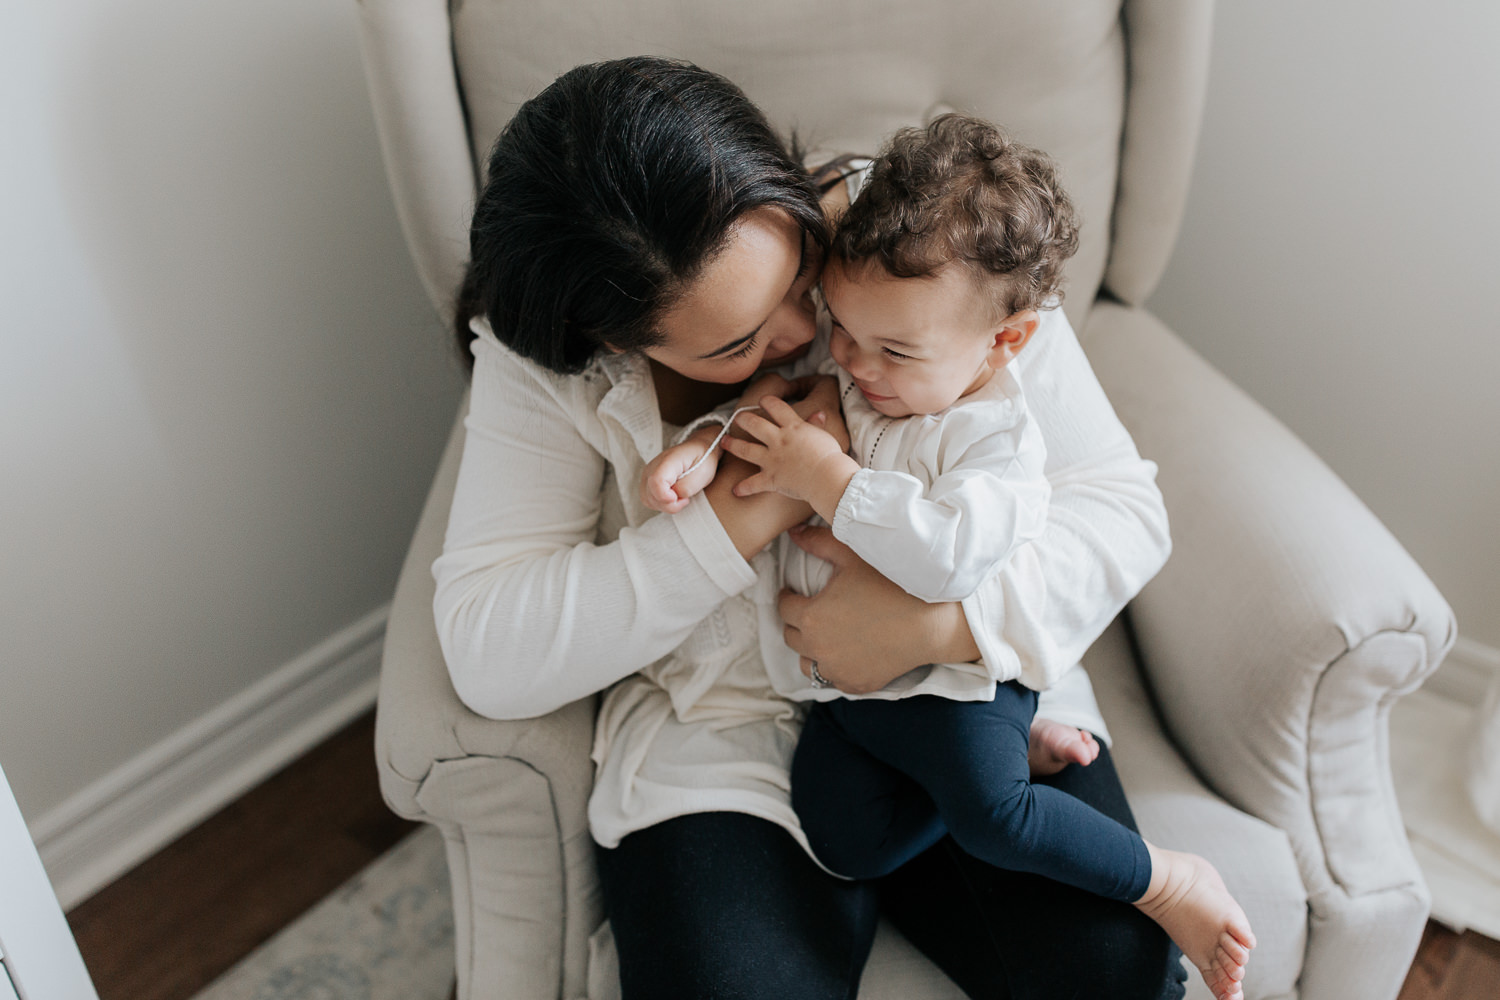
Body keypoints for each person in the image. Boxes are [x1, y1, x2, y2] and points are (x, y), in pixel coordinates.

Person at [434, 56, 1187, 999]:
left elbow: (1118, 507)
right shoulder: (547, 361)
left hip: (961, 692)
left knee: (1120, 971)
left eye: (801, 281)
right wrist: (759, 506)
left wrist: (938, 628)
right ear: (619, 342)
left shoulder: (915, 237)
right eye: (736, 344)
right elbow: (487, 648)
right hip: (719, 733)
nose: (807, 334)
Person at [644, 116, 1254, 1000]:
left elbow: (946, 560)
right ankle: (1018, 752)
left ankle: (1165, 878)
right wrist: (698, 450)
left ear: (1005, 343)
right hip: (849, 697)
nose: (852, 361)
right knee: (841, 838)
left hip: (953, 685)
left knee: (997, 821)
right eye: (843, 330)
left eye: (892, 350)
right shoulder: (864, 372)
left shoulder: (998, 441)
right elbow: (772, 412)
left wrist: (831, 480)